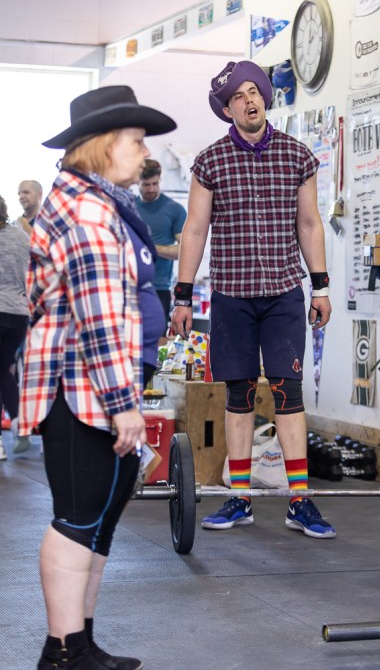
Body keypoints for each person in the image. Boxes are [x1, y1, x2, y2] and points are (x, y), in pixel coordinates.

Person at [18, 84, 176, 669]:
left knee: (99, 515)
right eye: (137, 140)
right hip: (81, 391)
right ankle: (62, 652)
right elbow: (99, 317)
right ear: (107, 144)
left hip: (93, 388)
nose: (146, 152)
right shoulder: (86, 212)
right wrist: (123, 403)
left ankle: (79, 642)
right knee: (79, 517)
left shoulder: (98, 201)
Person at [171, 60, 335, 539]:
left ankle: (299, 500)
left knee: (288, 392)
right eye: (238, 97)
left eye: (253, 91)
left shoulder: (298, 156)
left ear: (265, 96)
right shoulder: (210, 162)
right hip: (232, 296)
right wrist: (183, 296)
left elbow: (310, 224)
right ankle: (239, 497)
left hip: (283, 293)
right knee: (239, 394)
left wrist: (321, 287)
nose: (248, 101)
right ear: (228, 110)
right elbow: (194, 230)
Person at [136, 158, 186, 320]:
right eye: (146, 184)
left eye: (155, 184)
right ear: (138, 181)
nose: (151, 189)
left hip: (159, 287)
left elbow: (184, 251)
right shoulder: (129, 208)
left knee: (158, 334)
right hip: (130, 285)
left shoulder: (174, 209)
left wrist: (150, 248)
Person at [0, 194, 30, 460]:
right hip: (19, 314)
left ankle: (17, 425)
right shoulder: (21, 236)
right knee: (3, 370)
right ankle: (20, 423)